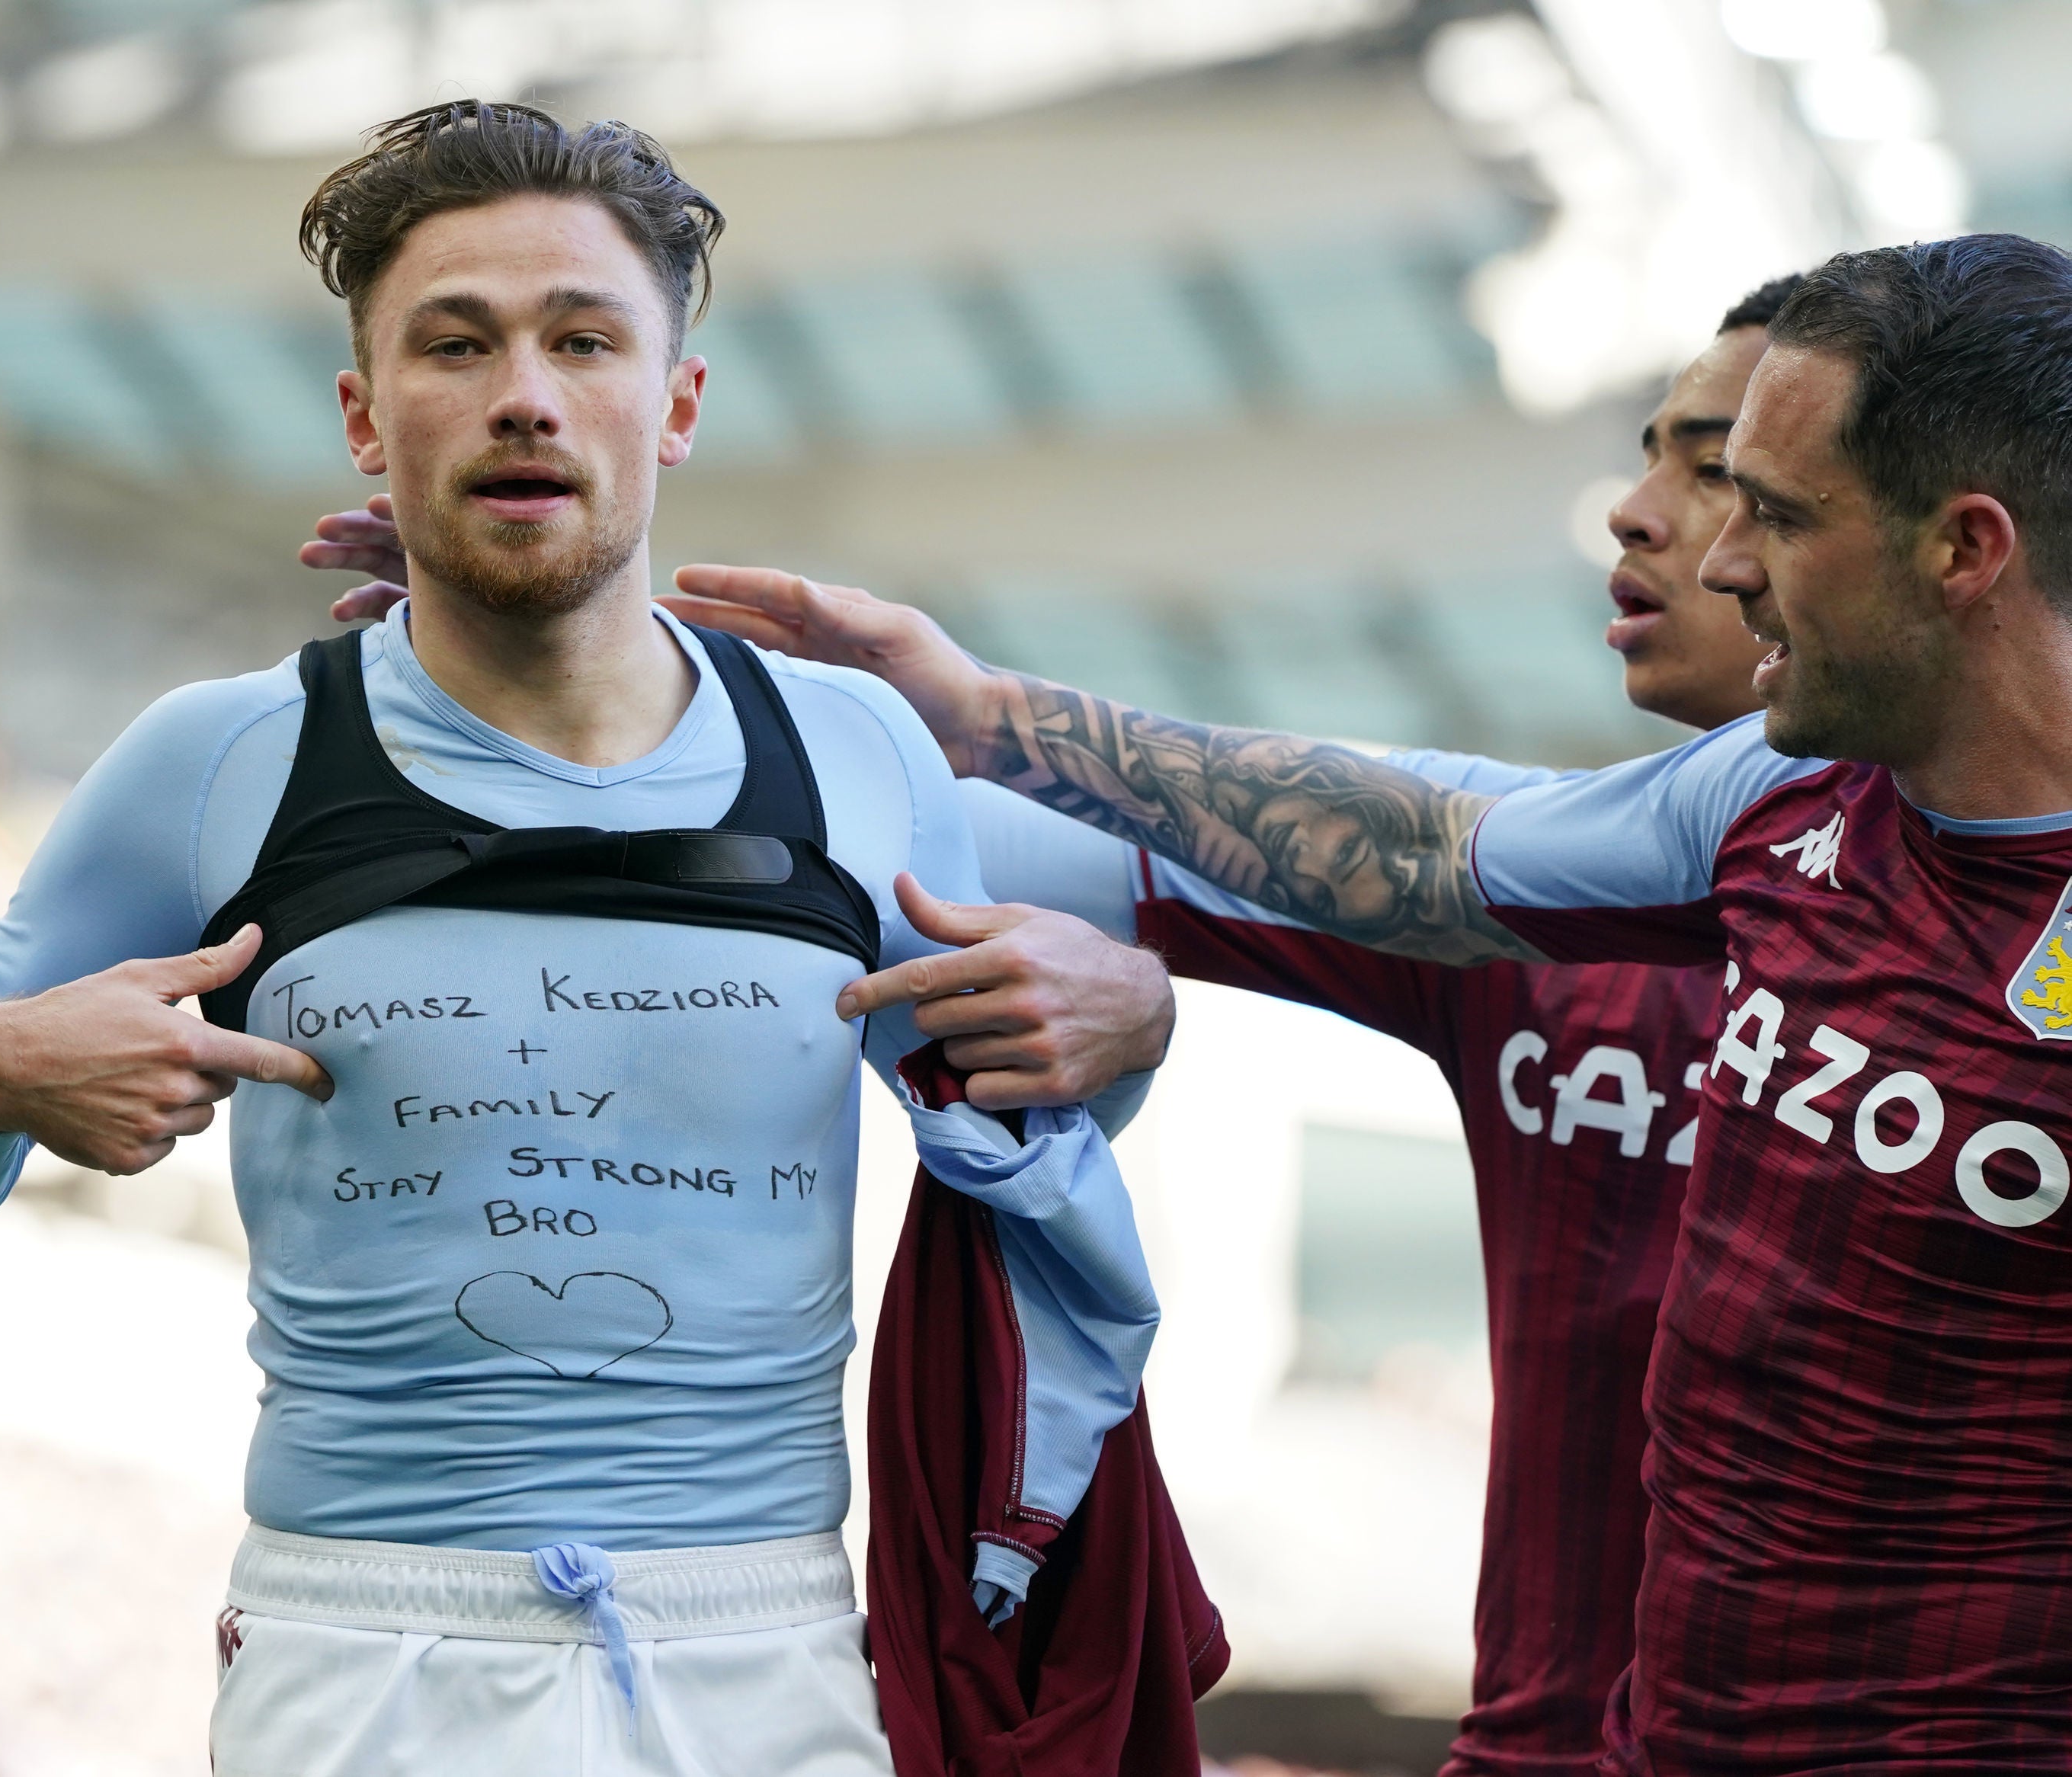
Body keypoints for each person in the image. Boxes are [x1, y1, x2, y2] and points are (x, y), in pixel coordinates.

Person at [0, 103, 1182, 1777]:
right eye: (454, 344)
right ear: (365, 419)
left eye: (583, 339)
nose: (523, 392)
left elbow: (1040, 1078)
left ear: (673, 405)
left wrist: (1137, 1017)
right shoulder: (224, 758)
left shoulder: (857, 753)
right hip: (365, 1649)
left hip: (763, 1649)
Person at [322, 277, 1803, 1775]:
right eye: (1658, 454)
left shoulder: (2027, 947)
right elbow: (917, 857)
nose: (1635, 509)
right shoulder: (1515, 888)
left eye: (1717, 467)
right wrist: (558, 678)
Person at [664, 238, 2072, 1772]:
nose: (1722, 551)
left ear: (1963, 549)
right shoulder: (1768, 802)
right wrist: (619, 692)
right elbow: (1422, 835)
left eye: (1775, 511)